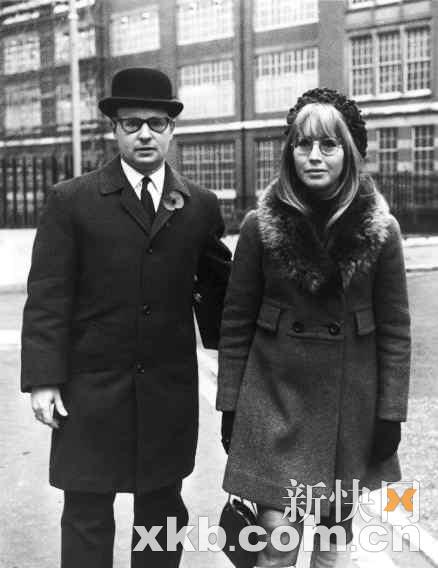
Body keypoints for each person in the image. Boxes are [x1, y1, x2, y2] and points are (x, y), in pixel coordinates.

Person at [21, 66, 231, 568]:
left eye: (156, 123)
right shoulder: (71, 201)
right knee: (87, 513)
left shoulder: (200, 206)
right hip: (89, 390)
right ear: (114, 129)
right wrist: (44, 380)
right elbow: (48, 295)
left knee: (160, 516)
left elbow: (223, 295)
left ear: (172, 130)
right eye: (132, 123)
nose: (145, 134)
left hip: (166, 392)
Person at [216, 88, 411, 568]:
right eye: (303, 144)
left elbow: (395, 333)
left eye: (329, 144)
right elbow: (236, 324)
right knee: (276, 547)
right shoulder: (259, 226)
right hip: (274, 407)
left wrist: (390, 415)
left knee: (331, 552)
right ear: (290, 152)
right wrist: (230, 407)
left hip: (348, 414)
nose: (315, 156)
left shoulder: (381, 230)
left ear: (350, 152)